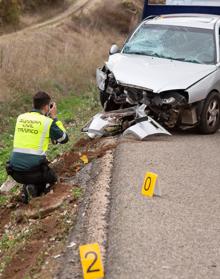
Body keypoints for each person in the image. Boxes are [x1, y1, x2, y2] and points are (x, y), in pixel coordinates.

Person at [6, 91, 69, 204]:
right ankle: (34, 190)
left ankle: (28, 187)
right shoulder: (47, 122)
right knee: (51, 178)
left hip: (15, 172)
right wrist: (54, 117)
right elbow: (64, 138)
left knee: (31, 172)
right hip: (34, 172)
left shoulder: (21, 118)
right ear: (46, 106)